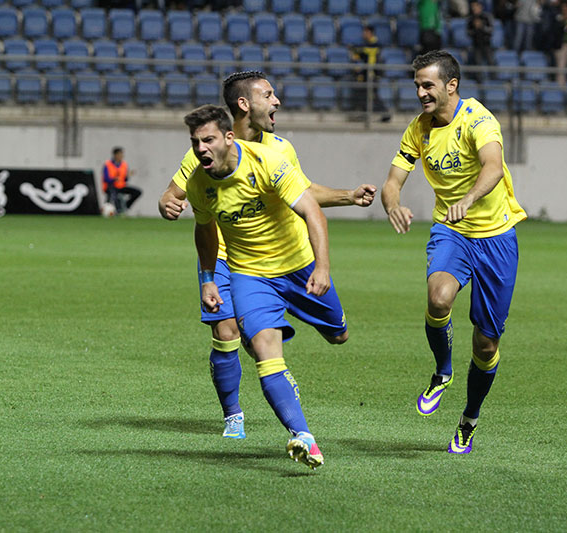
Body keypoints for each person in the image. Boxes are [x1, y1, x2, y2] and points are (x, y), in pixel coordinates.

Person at [158, 71, 376, 442]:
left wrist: (348, 196)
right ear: (244, 105)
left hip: (286, 256)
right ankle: (233, 416)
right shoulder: (203, 148)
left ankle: (265, 315)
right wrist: (167, 202)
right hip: (227, 255)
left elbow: (302, 194)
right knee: (224, 331)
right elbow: (175, 193)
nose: (277, 102)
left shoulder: (278, 151)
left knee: (337, 336)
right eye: (269, 95)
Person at [184, 104, 347, 470]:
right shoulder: (199, 184)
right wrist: (208, 278)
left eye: (208, 140)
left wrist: (322, 266)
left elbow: (312, 211)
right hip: (250, 275)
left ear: (228, 137)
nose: (200, 149)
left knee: (339, 335)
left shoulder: (268, 162)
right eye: (195, 142)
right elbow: (205, 229)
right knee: (263, 348)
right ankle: (303, 435)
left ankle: (303, 318)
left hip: (299, 267)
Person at [380, 50, 527, 454]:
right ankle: (442, 370)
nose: (421, 93)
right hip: (452, 231)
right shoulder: (419, 129)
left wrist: (469, 197)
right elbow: (392, 180)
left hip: (497, 237)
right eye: (417, 86)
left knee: (485, 345)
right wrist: (392, 204)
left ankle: (469, 418)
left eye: (427, 85)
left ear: (451, 85)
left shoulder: (477, 118)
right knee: (438, 296)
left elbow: (493, 166)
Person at [351, 25, 391, 121]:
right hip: (366, 74)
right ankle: (365, 115)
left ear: (370, 32)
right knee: (364, 95)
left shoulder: (375, 45)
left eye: (365, 32)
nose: (363, 34)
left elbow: (366, 52)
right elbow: (359, 55)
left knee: (373, 95)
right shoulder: (366, 45)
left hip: (372, 75)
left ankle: (385, 113)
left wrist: (358, 51)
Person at [102, 147, 141, 215]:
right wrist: (114, 179)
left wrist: (128, 175)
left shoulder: (124, 164)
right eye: (120, 154)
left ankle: (126, 206)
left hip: (121, 186)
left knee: (137, 192)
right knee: (114, 194)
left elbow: (125, 179)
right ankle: (117, 210)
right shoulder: (107, 164)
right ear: (115, 155)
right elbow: (106, 178)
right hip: (111, 186)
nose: (122, 156)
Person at [467, 0, 495, 80]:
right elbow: (468, 33)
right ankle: (479, 81)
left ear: (481, 7)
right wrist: (475, 29)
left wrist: (482, 26)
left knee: (491, 62)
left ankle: (493, 79)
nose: (474, 9)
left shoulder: (486, 17)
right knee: (477, 63)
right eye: (473, 7)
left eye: (476, 7)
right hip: (476, 44)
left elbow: (491, 30)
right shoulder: (470, 19)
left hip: (486, 44)